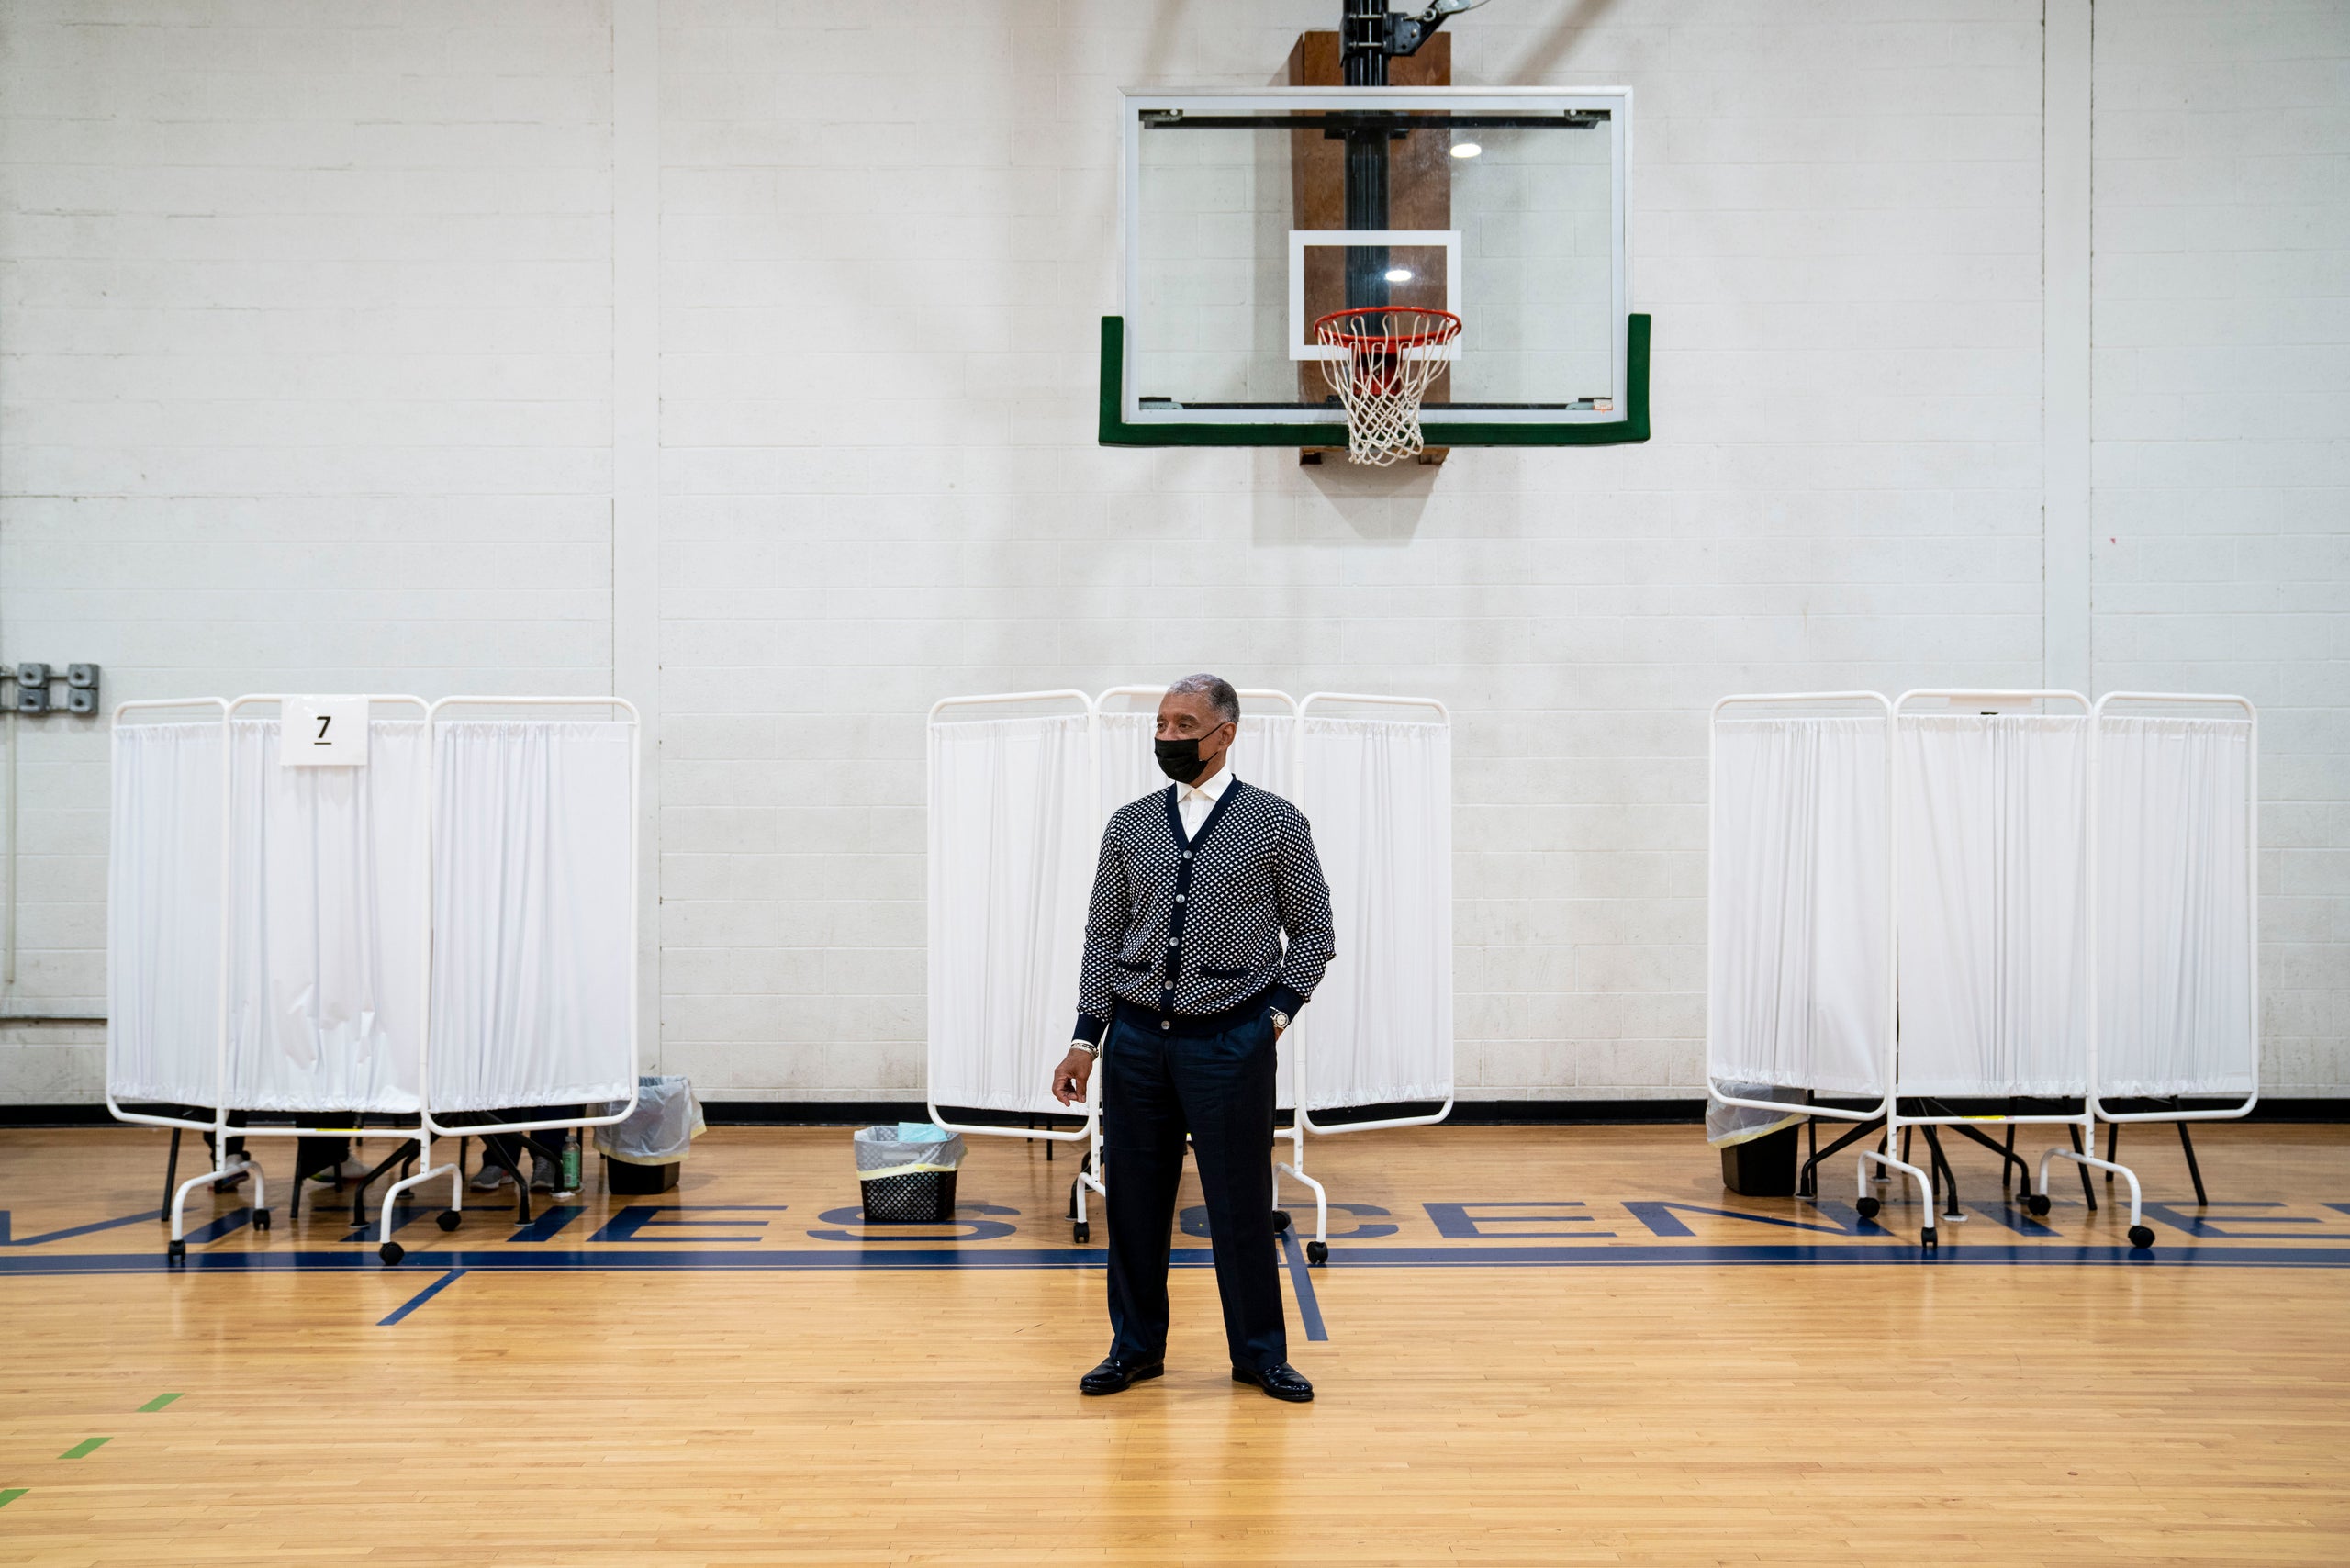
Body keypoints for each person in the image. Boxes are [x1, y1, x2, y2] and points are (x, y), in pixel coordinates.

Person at [1051, 674, 1336, 1404]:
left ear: (1226, 732)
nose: (1168, 738)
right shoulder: (1130, 825)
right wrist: (1086, 1040)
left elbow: (1313, 934)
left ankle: (1259, 1355)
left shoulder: (1275, 823)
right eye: (1162, 725)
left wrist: (1272, 1018)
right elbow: (1102, 938)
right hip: (1139, 1044)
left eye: (1185, 725)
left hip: (1229, 1045)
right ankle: (1135, 1348)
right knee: (1135, 1205)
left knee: (1239, 1205)